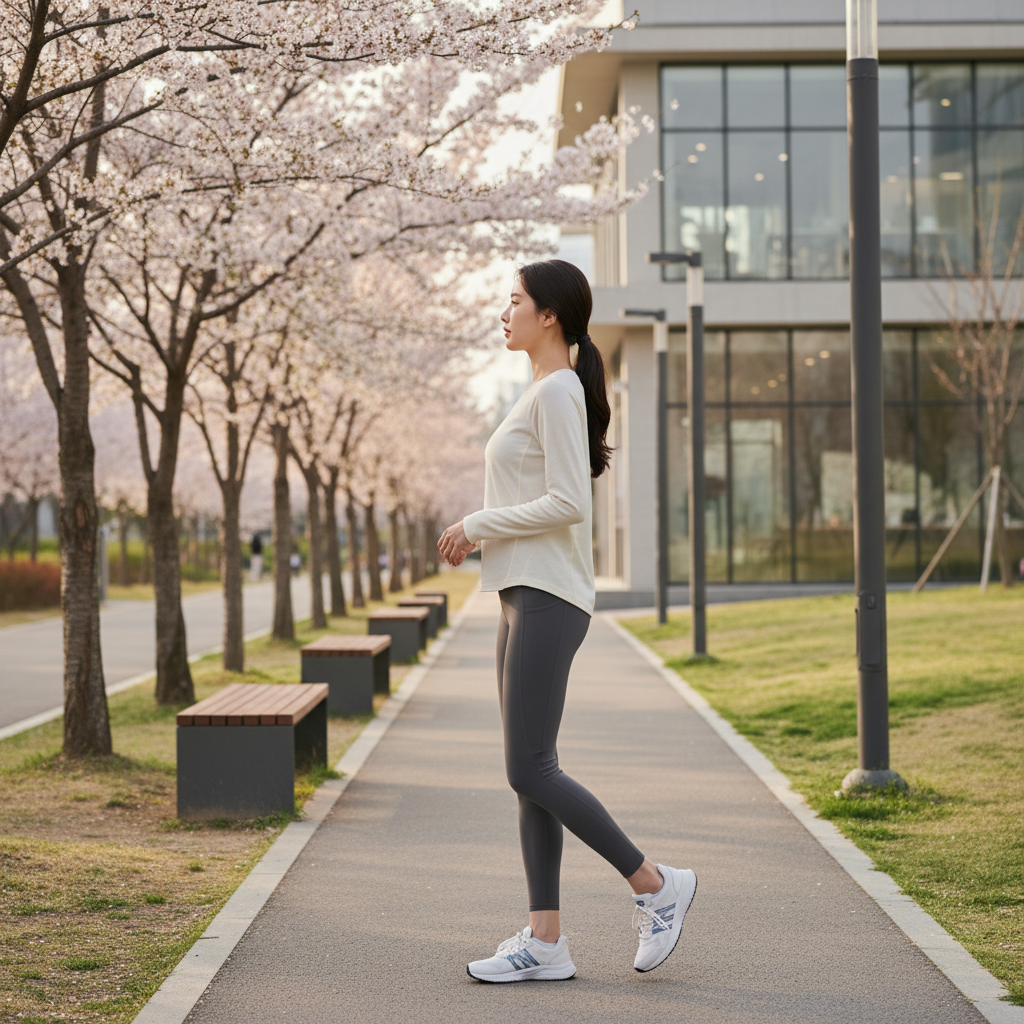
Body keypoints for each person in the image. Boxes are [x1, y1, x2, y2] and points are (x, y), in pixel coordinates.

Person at [438, 260, 697, 984]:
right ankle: (546, 942)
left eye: (514, 300)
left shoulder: (555, 391)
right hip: (523, 594)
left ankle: (655, 884)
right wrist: (486, 536)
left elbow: (568, 502)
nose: (504, 310)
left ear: (548, 314)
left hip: (550, 596)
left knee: (531, 765)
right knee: (528, 774)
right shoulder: (545, 389)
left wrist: (477, 523)